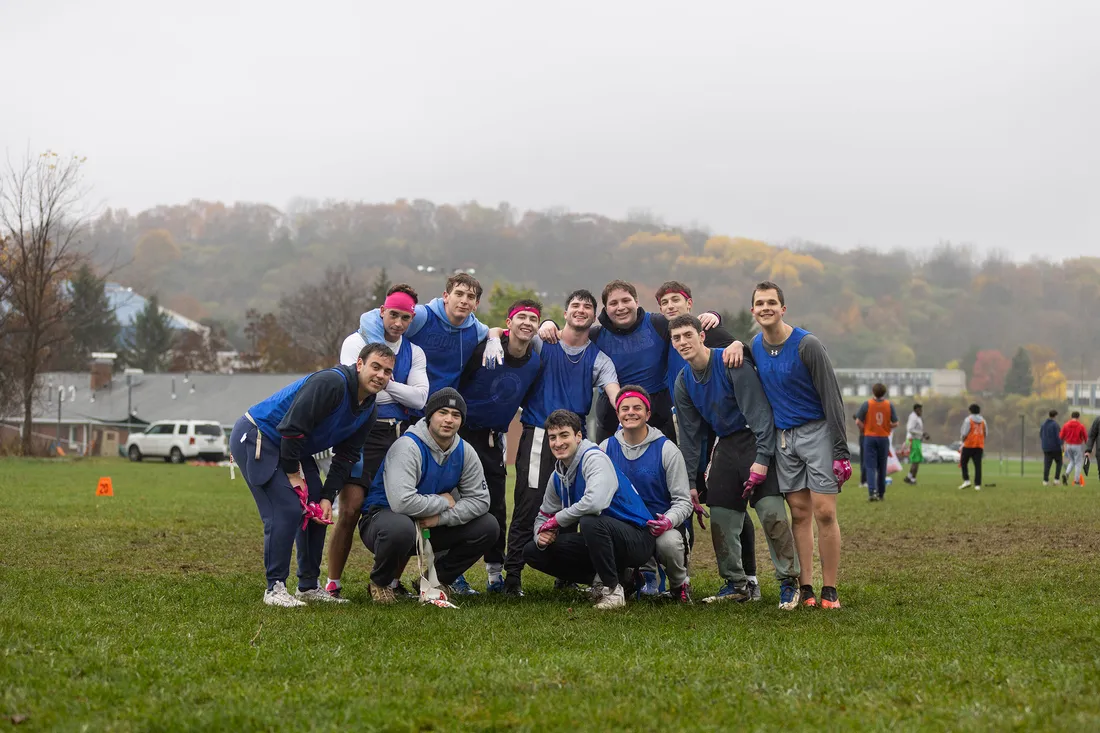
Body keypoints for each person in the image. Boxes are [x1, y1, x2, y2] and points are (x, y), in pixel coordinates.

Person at [229, 343, 394, 607]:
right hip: (259, 435)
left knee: (316, 508)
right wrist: (294, 473)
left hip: (293, 445)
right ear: (360, 364)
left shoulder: (370, 409)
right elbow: (292, 428)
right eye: (376, 367)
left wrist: (329, 496)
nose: (380, 375)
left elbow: (346, 457)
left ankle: (308, 586)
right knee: (287, 508)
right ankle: (275, 589)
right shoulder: (331, 383)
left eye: (387, 371)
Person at [730, 281, 851, 610]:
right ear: (753, 311)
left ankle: (830, 589)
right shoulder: (755, 344)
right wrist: (738, 345)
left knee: (824, 512)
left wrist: (841, 452)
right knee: (799, 514)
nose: (765, 307)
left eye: (772, 302)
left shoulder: (806, 345)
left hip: (817, 433)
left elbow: (833, 399)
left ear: (783, 309)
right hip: (784, 438)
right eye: (759, 303)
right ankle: (806, 587)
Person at [671, 315, 802, 609]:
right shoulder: (683, 382)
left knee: (771, 513)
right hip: (726, 444)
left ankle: (788, 583)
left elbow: (759, 414)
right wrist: (690, 483)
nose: (683, 342)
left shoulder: (731, 362)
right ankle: (736, 584)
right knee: (721, 516)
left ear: (701, 336)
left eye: (687, 335)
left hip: (755, 439)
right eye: (676, 338)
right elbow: (690, 437)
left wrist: (763, 459)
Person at [503, 289, 620, 596]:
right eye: (575, 306)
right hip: (540, 435)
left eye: (587, 307)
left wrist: (629, 413)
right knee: (529, 503)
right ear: (566, 313)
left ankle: (564, 576)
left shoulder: (599, 358)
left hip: (576, 442)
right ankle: (512, 576)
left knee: (571, 505)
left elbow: (614, 392)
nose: (581, 310)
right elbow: (510, 337)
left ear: (593, 317)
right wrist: (542, 325)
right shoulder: (544, 342)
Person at [655, 281, 759, 599]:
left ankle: (749, 577)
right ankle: (688, 576)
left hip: (724, 435)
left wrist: (738, 341)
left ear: (690, 303)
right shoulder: (662, 332)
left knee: (732, 505)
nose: (671, 306)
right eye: (665, 302)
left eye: (677, 300)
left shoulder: (710, 330)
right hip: (688, 423)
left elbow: (746, 353)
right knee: (696, 497)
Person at [325, 284, 428, 600]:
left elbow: (421, 397)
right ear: (382, 312)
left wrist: (386, 384)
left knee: (401, 506)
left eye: (405, 318)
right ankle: (332, 583)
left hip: (398, 436)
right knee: (351, 507)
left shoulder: (414, 351)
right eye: (393, 315)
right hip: (361, 432)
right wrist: (399, 389)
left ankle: (390, 583)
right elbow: (358, 385)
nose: (398, 323)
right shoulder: (356, 341)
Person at [539, 280, 724, 444]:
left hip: (658, 413)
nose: (621, 307)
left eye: (626, 301)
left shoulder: (658, 324)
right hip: (612, 413)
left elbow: (688, 328)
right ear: (605, 309)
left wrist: (713, 316)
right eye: (613, 303)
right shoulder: (596, 335)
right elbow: (570, 335)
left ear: (636, 302)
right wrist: (548, 324)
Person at [358, 388, 498, 604]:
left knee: (488, 526)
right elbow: (402, 502)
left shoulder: (465, 451)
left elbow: (480, 500)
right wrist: (443, 502)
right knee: (400, 528)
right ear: (430, 415)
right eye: (442, 412)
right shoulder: (407, 446)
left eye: (456, 415)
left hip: (430, 523)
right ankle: (381, 582)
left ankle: (435, 580)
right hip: (384, 520)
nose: (449, 420)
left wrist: (440, 518)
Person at [523, 409, 655, 610]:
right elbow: (544, 515)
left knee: (589, 521)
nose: (558, 443)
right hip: (601, 538)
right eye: (552, 437)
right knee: (533, 551)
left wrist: (557, 520)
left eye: (564, 435)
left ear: (578, 436)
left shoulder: (594, 458)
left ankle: (612, 590)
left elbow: (595, 503)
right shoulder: (557, 475)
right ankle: (618, 579)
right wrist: (539, 535)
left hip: (637, 538)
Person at [457, 299, 543, 592]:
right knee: (456, 502)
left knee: (496, 505)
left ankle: (495, 575)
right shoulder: (485, 347)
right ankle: (452, 572)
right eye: (521, 316)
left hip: (493, 437)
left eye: (533, 318)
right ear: (509, 323)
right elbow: (458, 381)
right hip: (462, 433)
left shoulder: (535, 359)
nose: (527, 322)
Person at [358, 272, 503, 417]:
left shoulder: (476, 330)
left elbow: (504, 331)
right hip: (405, 406)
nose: (464, 301)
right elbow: (370, 317)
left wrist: (494, 338)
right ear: (446, 296)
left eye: (470, 297)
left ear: (476, 304)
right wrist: (381, 354)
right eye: (459, 294)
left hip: (441, 412)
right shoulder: (423, 317)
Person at [600, 386, 694, 602]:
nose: (630, 412)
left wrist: (668, 521)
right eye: (625, 408)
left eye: (637, 408)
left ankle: (679, 584)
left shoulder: (667, 450)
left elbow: (683, 501)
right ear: (618, 414)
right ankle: (636, 576)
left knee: (668, 544)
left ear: (648, 414)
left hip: (661, 526)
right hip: (627, 526)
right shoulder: (606, 448)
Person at [856, 384, 898, 501]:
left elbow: (858, 421)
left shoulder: (867, 404)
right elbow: (895, 422)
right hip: (883, 437)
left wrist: (865, 428)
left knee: (870, 466)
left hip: (870, 437)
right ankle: (881, 493)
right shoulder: (889, 405)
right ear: (884, 393)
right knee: (882, 466)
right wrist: (886, 426)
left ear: (873, 392)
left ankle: (872, 492)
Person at [959, 403, 987, 491]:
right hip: (979, 445)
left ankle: (966, 480)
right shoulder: (983, 421)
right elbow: (985, 433)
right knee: (978, 466)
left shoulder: (968, 420)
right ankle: (977, 485)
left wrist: (962, 440)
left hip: (968, 445)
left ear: (970, 411)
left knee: (963, 462)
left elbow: (964, 433)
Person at [903, 403, 930, 485]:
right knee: (916, 460)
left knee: (916, 460)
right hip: (913, 440)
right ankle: (912, 479)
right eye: (919, 410)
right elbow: (910, 429)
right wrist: (922, 434)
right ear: (916, 409)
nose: (921, 411)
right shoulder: (913, 418)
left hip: (915, 440)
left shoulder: (916, 417)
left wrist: (922, 434)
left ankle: (909, 477)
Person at [1059, 411, 1088, 486]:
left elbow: (1061, 436)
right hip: (1077, 445)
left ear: (1071, 417)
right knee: (1078, 463)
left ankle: (1066, 474)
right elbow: (1085, 437)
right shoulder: (1081, 426)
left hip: (1068, 445)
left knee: (1072, 461)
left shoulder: (1066, 425)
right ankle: (1077, 480)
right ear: (1078, 417)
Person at [1040, 410, 1063, 486]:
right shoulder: (1055, 425)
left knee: (1047, 465)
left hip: (1046, 448)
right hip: (1055, 448)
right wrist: (1062, 444)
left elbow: (1041, 435)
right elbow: (1058, 436)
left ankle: (1045, 481)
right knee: (1059, 463)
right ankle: (1056, 480)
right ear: (1055, 416)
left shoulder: (1043, 424)